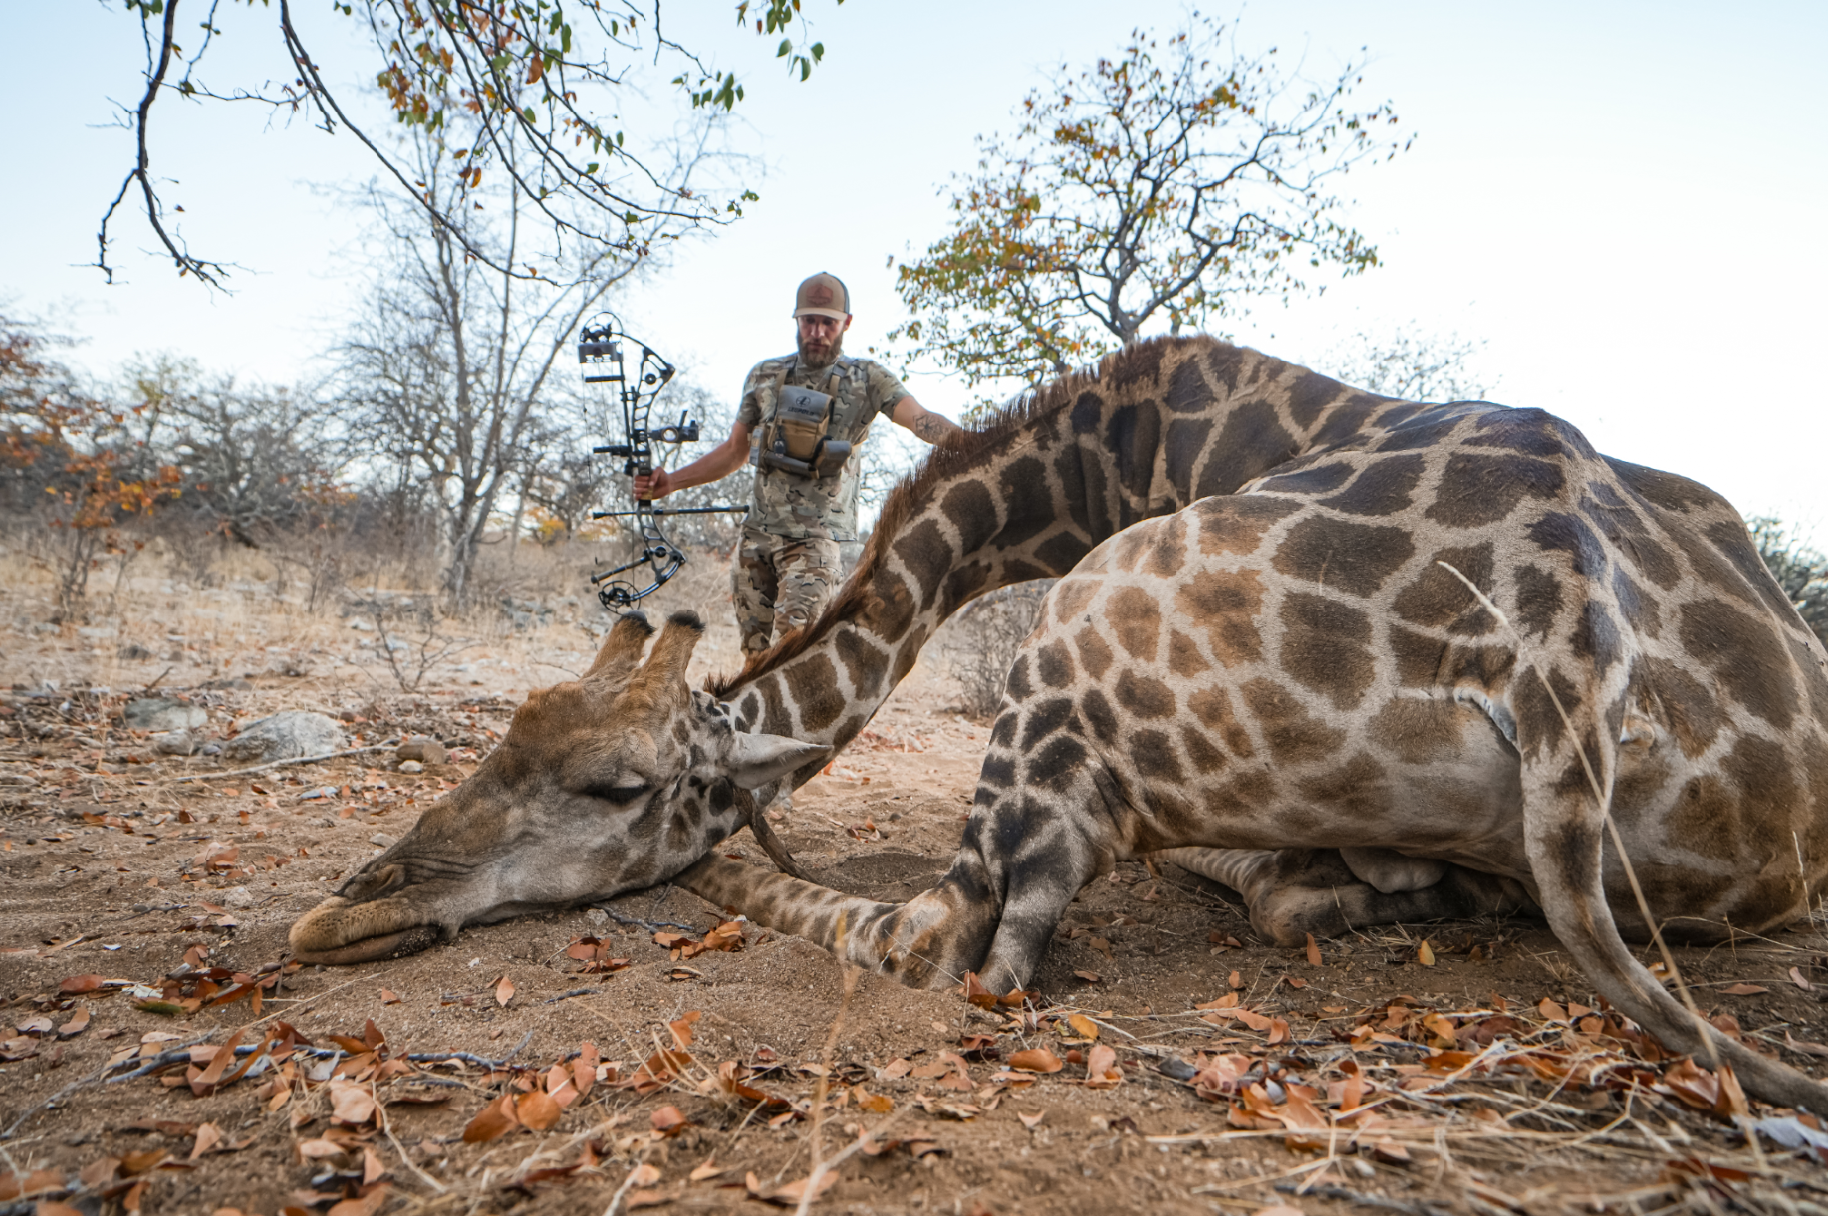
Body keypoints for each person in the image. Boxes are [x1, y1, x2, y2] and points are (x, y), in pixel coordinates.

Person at [634, 272, 963, 653]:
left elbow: (919, 419)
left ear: (846, 324)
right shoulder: (764, 375)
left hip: (815, 544)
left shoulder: (869, 378)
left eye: (828, 322)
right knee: (754, 657)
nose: (818, 332)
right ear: (796, 320)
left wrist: (973, 443)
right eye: (809, 321)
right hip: (755, 538)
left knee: (790, 654)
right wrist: (671, 482)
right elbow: (733, 452)